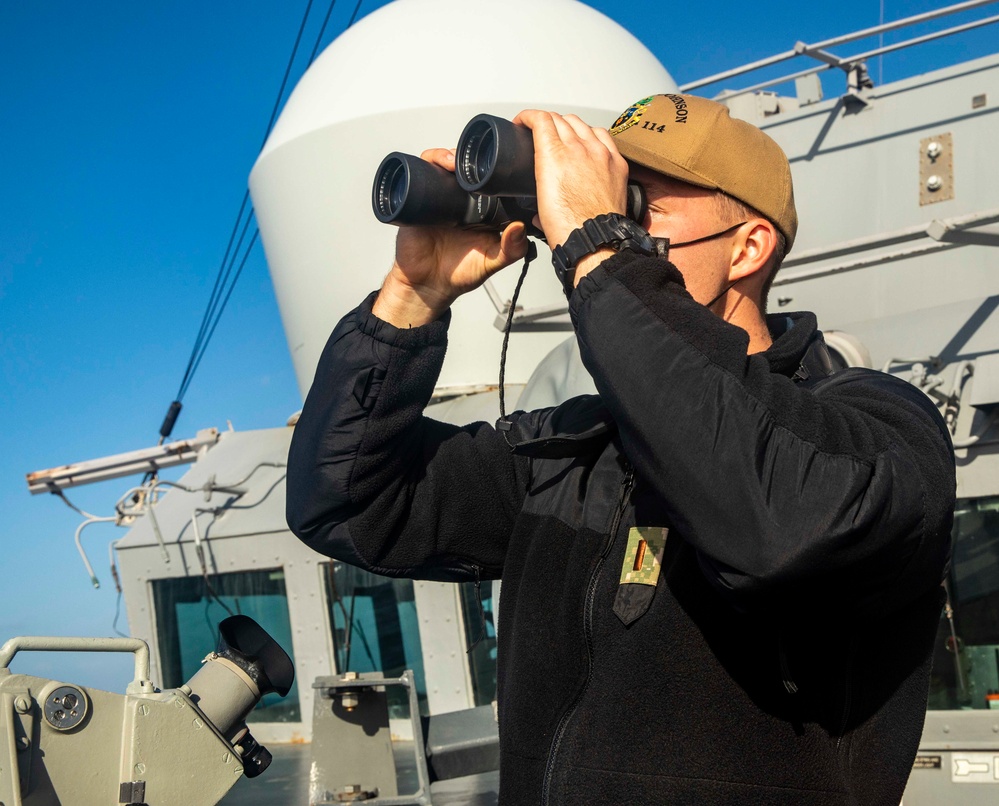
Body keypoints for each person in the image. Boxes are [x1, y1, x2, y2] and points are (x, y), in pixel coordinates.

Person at [287, 94, 954, 805]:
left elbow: (780, 526)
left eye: (636, 203)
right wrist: (411, 297)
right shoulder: (578, 452)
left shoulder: (873, 426)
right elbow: (349, 503)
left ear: (748, 247)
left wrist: (600, 244)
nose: (600, 218)